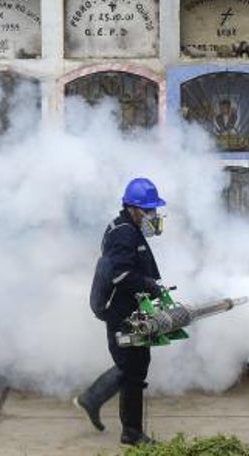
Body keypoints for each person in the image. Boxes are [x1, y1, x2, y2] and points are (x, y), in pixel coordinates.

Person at [74, 177, 167, 445]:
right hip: (122, 313)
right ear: (132, 208)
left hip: (131, 310)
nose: (153, 215)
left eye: (154, 209)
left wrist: (150, 290)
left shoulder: (129, 228)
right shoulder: (123, 233)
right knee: (133, 371)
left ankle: (92, 399)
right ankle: (132, 433)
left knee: (133, 366)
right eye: (148, 210)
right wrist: (150, 285)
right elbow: (121, 274)